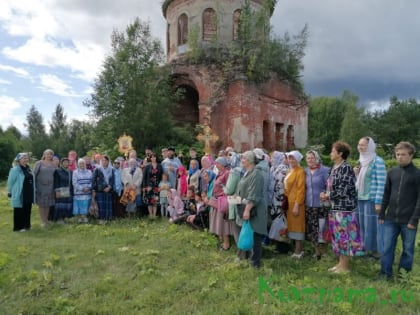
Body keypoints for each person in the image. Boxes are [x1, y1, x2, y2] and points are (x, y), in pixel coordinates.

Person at [320, 141, 365, 273]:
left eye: (333, 151)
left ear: (340, 154)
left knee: (345, 236)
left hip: (344, 209)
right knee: (337, 237)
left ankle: (345, 267)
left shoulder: (346, 168)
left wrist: (327, 196)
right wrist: (324, 193)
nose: (331, 153)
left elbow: (344, 190)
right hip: (334, 208)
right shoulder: (333, 167)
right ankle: (340, 264)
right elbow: (329, 186)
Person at [379, 141, 420, 279]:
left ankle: (404, 276)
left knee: (408, 250)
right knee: (386, 248)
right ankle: (385, 274)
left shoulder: (417, 174)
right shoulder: (392, 173)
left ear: (411, 155)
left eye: (403, 154)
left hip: (408, 220)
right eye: (398, 154)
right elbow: (386, 194)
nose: (400, 157)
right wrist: (381, 213)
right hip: (390, 219)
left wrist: (414, 220)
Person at [354, 137, 386, 259]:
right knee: (362, 226)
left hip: (372, 199)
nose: (360, 147)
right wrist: (356, 174)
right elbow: (360, 182)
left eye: (363, 145)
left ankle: (377, 251)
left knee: (374, 226)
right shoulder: (361, 161)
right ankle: (365, 249)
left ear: (370, 147)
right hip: (361, 198)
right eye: (359, 144)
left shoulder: (377, 161)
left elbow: (381, 183)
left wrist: (378, 202)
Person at [237, 151, 267, 268]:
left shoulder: (256, 174)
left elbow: (254, 195)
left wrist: (247, 209)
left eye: (243, 159)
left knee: (256, 235)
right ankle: (251, 259)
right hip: (248, 207)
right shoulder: (248, 172)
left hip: (256, 210)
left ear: (249, 160)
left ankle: (255, 263)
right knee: (250, 234)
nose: (241, 161)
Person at [304, 150, 330, 260]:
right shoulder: (305, 171)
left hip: (321, 205)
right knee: (312, 228)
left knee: (322, 227)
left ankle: (324, 252)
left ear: (317, 158)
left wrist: (325, 193)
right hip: (309, 204)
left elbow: (329, 186)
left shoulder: (324, 170)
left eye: (312, 158)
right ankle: (316, 252)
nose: (310, 160)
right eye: (308, 158)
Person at [284, 150, 306, 258]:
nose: (291, 160)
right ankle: (297, 250)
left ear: (298, 159)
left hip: (297, 202)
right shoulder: (290, 171)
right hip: (289, 202)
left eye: (293, 158)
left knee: (298, 226)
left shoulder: (300, 171)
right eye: (289, 158)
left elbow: (300, 189)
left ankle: (299, 251)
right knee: (292, 226)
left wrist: (297, 204)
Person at [7, 153, 34, 232]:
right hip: (19, 192)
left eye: (26, 158)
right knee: (19, 210)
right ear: (18, 160)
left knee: (28, 209)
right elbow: (10, 182)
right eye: (23, 158)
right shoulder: (15, 169)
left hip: (28, 192)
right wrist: (10, 191)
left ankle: (27, 226)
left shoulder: (29, 169)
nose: (26, 159)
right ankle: (18, 227)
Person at [209, 157, 231, 251]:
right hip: (217, 201)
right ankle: (222, 242)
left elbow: (229, 187)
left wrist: (222, 191)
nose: (216, 165)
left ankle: (227, 244)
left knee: (223, 223)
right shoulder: (220, 173)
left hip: (222, 201)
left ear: (222, 164)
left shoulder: (227, 173)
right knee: (218, 222)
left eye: (217, 163)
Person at [34, 149, 57, 227]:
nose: (49, 156)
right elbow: (34, 174)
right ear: (44, 155)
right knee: (41, 204)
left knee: (48, 204)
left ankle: (46, 220)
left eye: (51, 154)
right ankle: (43, 221)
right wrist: (34, 186)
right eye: (47, 154)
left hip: (50, 187)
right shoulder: (39, 163)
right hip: (40, 186)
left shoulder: (54, 164)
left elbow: (56, 175)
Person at [92, 155, 115, 224]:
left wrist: (109, 187)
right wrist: (93, 189)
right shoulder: (97, 169)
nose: (104, 162)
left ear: (108, 161)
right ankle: (101, 219)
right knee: (101, 205)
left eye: (105, 160)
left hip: (109, 190)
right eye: (103, 160)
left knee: (108, 205)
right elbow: (94, 180)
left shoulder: (112, 169)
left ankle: (108, 219)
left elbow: (113, 180)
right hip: (100, 190)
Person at [142, 153, 163, 218]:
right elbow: (144, 177)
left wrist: (161, 185)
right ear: (150, 158)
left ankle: (154, 215)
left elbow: (162, 176)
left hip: (157, 186)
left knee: (155, 201)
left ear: (156, 158)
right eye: (152, 157)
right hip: (149, 186)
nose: (153, 158)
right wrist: (144, 186)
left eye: (154, 157)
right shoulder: (147, 166)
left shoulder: (160, 166)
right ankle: (150, 215)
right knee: (149, 201)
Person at [72, 158, 92, 223]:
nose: (82, 165)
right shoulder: (75, 172)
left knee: (86, 205)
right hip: (79, 192)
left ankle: (85, 217)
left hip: (87, 192)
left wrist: (88, 188)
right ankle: (79, 218)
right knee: (78, 205)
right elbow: (74, 182)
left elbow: (92, 181)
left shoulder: (89, 171)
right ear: (78, 164)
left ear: (85, 164)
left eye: (83, 163)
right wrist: (82, 188)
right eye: (80, 163)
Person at [53, 157, 73, 224]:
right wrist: (57, 191)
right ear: (61, 163)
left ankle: (64, 218)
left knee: (66, 205)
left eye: (67, 162)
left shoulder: (70, 171)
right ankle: (59, 219)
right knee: (60, 205)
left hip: (69, 190)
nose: (66, 163)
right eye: (64, 162)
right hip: (61, 190)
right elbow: (56, 182)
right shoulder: (58, 171)